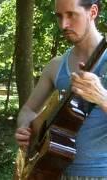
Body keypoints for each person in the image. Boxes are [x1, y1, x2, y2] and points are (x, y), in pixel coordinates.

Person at [15, 0, 107, 179]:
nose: (63, 24)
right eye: (59, 16)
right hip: (54, 173)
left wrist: (102, 97)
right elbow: (27, 110)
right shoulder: (56, 66)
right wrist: (25, 127)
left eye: (71, 15)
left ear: (93, 12)